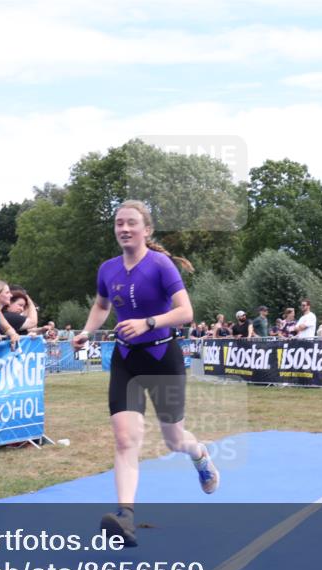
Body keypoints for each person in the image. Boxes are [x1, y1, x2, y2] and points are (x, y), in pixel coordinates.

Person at [71, 200, 218, 547]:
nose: (124, 229)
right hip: (126, 361)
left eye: (131, 223)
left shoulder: (161, 265)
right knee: (125, 439)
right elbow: (101, 305)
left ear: (146, 230)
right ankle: (126, 516)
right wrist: (87, 332)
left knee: (174, 440)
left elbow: (186, 312)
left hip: (163, 357)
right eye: (119, 223)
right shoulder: (107, 268)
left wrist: (148, 322)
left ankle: (199, 455)